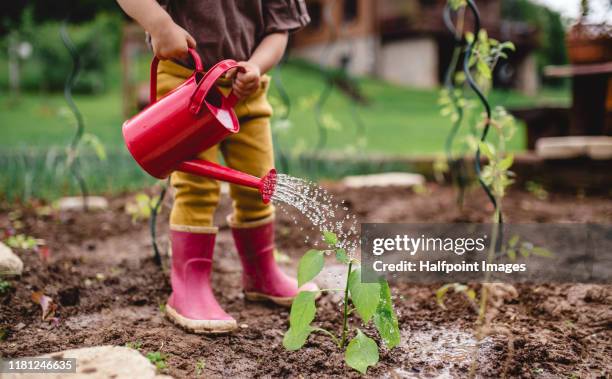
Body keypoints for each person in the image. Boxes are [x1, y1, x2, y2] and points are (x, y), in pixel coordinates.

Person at [116, 0, 317, 334]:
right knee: (198, 189)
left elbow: (278, 30)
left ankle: (261, 273)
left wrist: (255, 65)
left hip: (246, 89)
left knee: (259, 185)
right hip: (186, 83)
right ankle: (188, 286)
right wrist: (160, 24)